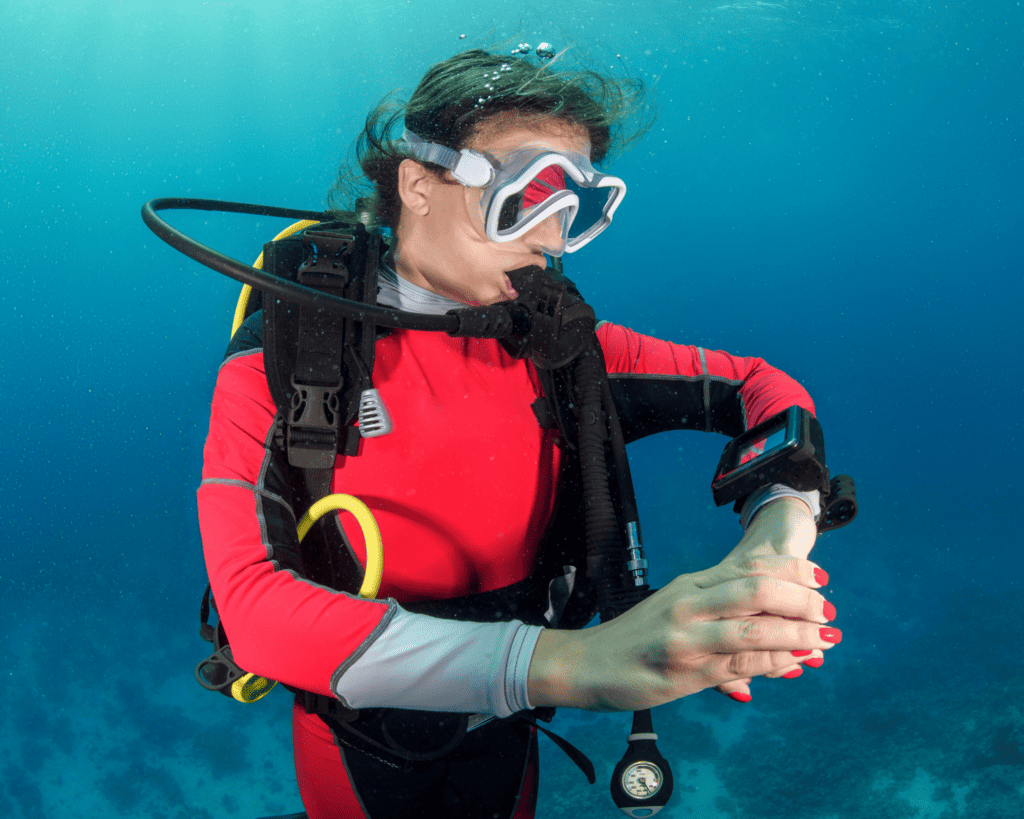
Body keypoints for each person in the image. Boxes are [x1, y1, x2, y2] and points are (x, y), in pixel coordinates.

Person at [197, 48, 841, 819]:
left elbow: (761, 389)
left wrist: (775, 542)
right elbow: (257, 614)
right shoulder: (289, 363)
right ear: (417, 183)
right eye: (527, 193)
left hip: (508, 729)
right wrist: (574, 665)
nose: (552, 238)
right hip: (354, 735)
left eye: (578, 205)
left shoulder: (564, 352)